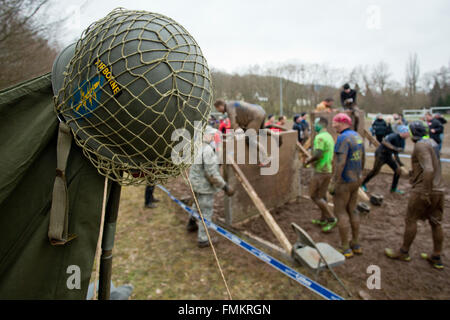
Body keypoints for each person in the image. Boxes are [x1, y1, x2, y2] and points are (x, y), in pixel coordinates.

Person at [385, 121, 445, 270]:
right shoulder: (433, 142)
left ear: (413, 133)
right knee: (436, 223)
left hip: (423, 189)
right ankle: (436, 256)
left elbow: (429, 169)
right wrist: (412, 174)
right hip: (439, 190)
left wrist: (425, 191)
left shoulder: (420, 145)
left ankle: (404, 252)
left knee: (411, 219)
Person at [187, 126, 235, 248]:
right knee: (206, 211)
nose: (214, 137)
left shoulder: (197, 147)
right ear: (206, 135)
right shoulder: (207, 150)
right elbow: (212, 175)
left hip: (195, 182)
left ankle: (191, 223)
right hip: (204, 186)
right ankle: (203, 239)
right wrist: (225, 187)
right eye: (212, 135)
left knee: (196, 204)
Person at [329, 113, 365, 258]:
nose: (333, 125)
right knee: (353, 209)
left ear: (341, 123)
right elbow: (363, 158)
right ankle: (355, 244)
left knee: (340, 212)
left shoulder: (342, 138)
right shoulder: (357, 136)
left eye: (334, 122)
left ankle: (345, 248)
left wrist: (334, 182)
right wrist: (360, 176)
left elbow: (340, 162)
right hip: (356, 178)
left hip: (344, 180)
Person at [214, 99, 271, 166]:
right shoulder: (231, 103)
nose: (218, 111)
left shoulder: (229, 107)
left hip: (255, 116)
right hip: (260, 112)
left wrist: (234, 133)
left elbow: (233, 123)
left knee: (249, 139)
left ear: (220, 106)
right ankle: (275, 135)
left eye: (217, 108)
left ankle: (265, 157)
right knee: (261, 131)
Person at [304, 117, 337, 232]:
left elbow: (318, 154)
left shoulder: (320, 137)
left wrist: (308, 161)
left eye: (315, 123)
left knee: (314, 195)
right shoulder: (329, 136)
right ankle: (323, 219)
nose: (314, 125)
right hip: (328, 170)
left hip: (320, 171)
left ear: (321, 124)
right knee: (322, 196)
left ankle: (332, 218)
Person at [361, 125, 410, 194]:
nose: (409, 134)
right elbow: (384, 142)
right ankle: (362, 184)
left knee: (398, 170)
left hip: (388, 156)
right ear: (403, 132)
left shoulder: (403, 141)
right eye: (408, 132)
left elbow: (396, 153)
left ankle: (393, 188)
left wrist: (400, 164)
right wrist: (394, 148)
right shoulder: (393, 136)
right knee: (375, 171)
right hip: (380, 154)